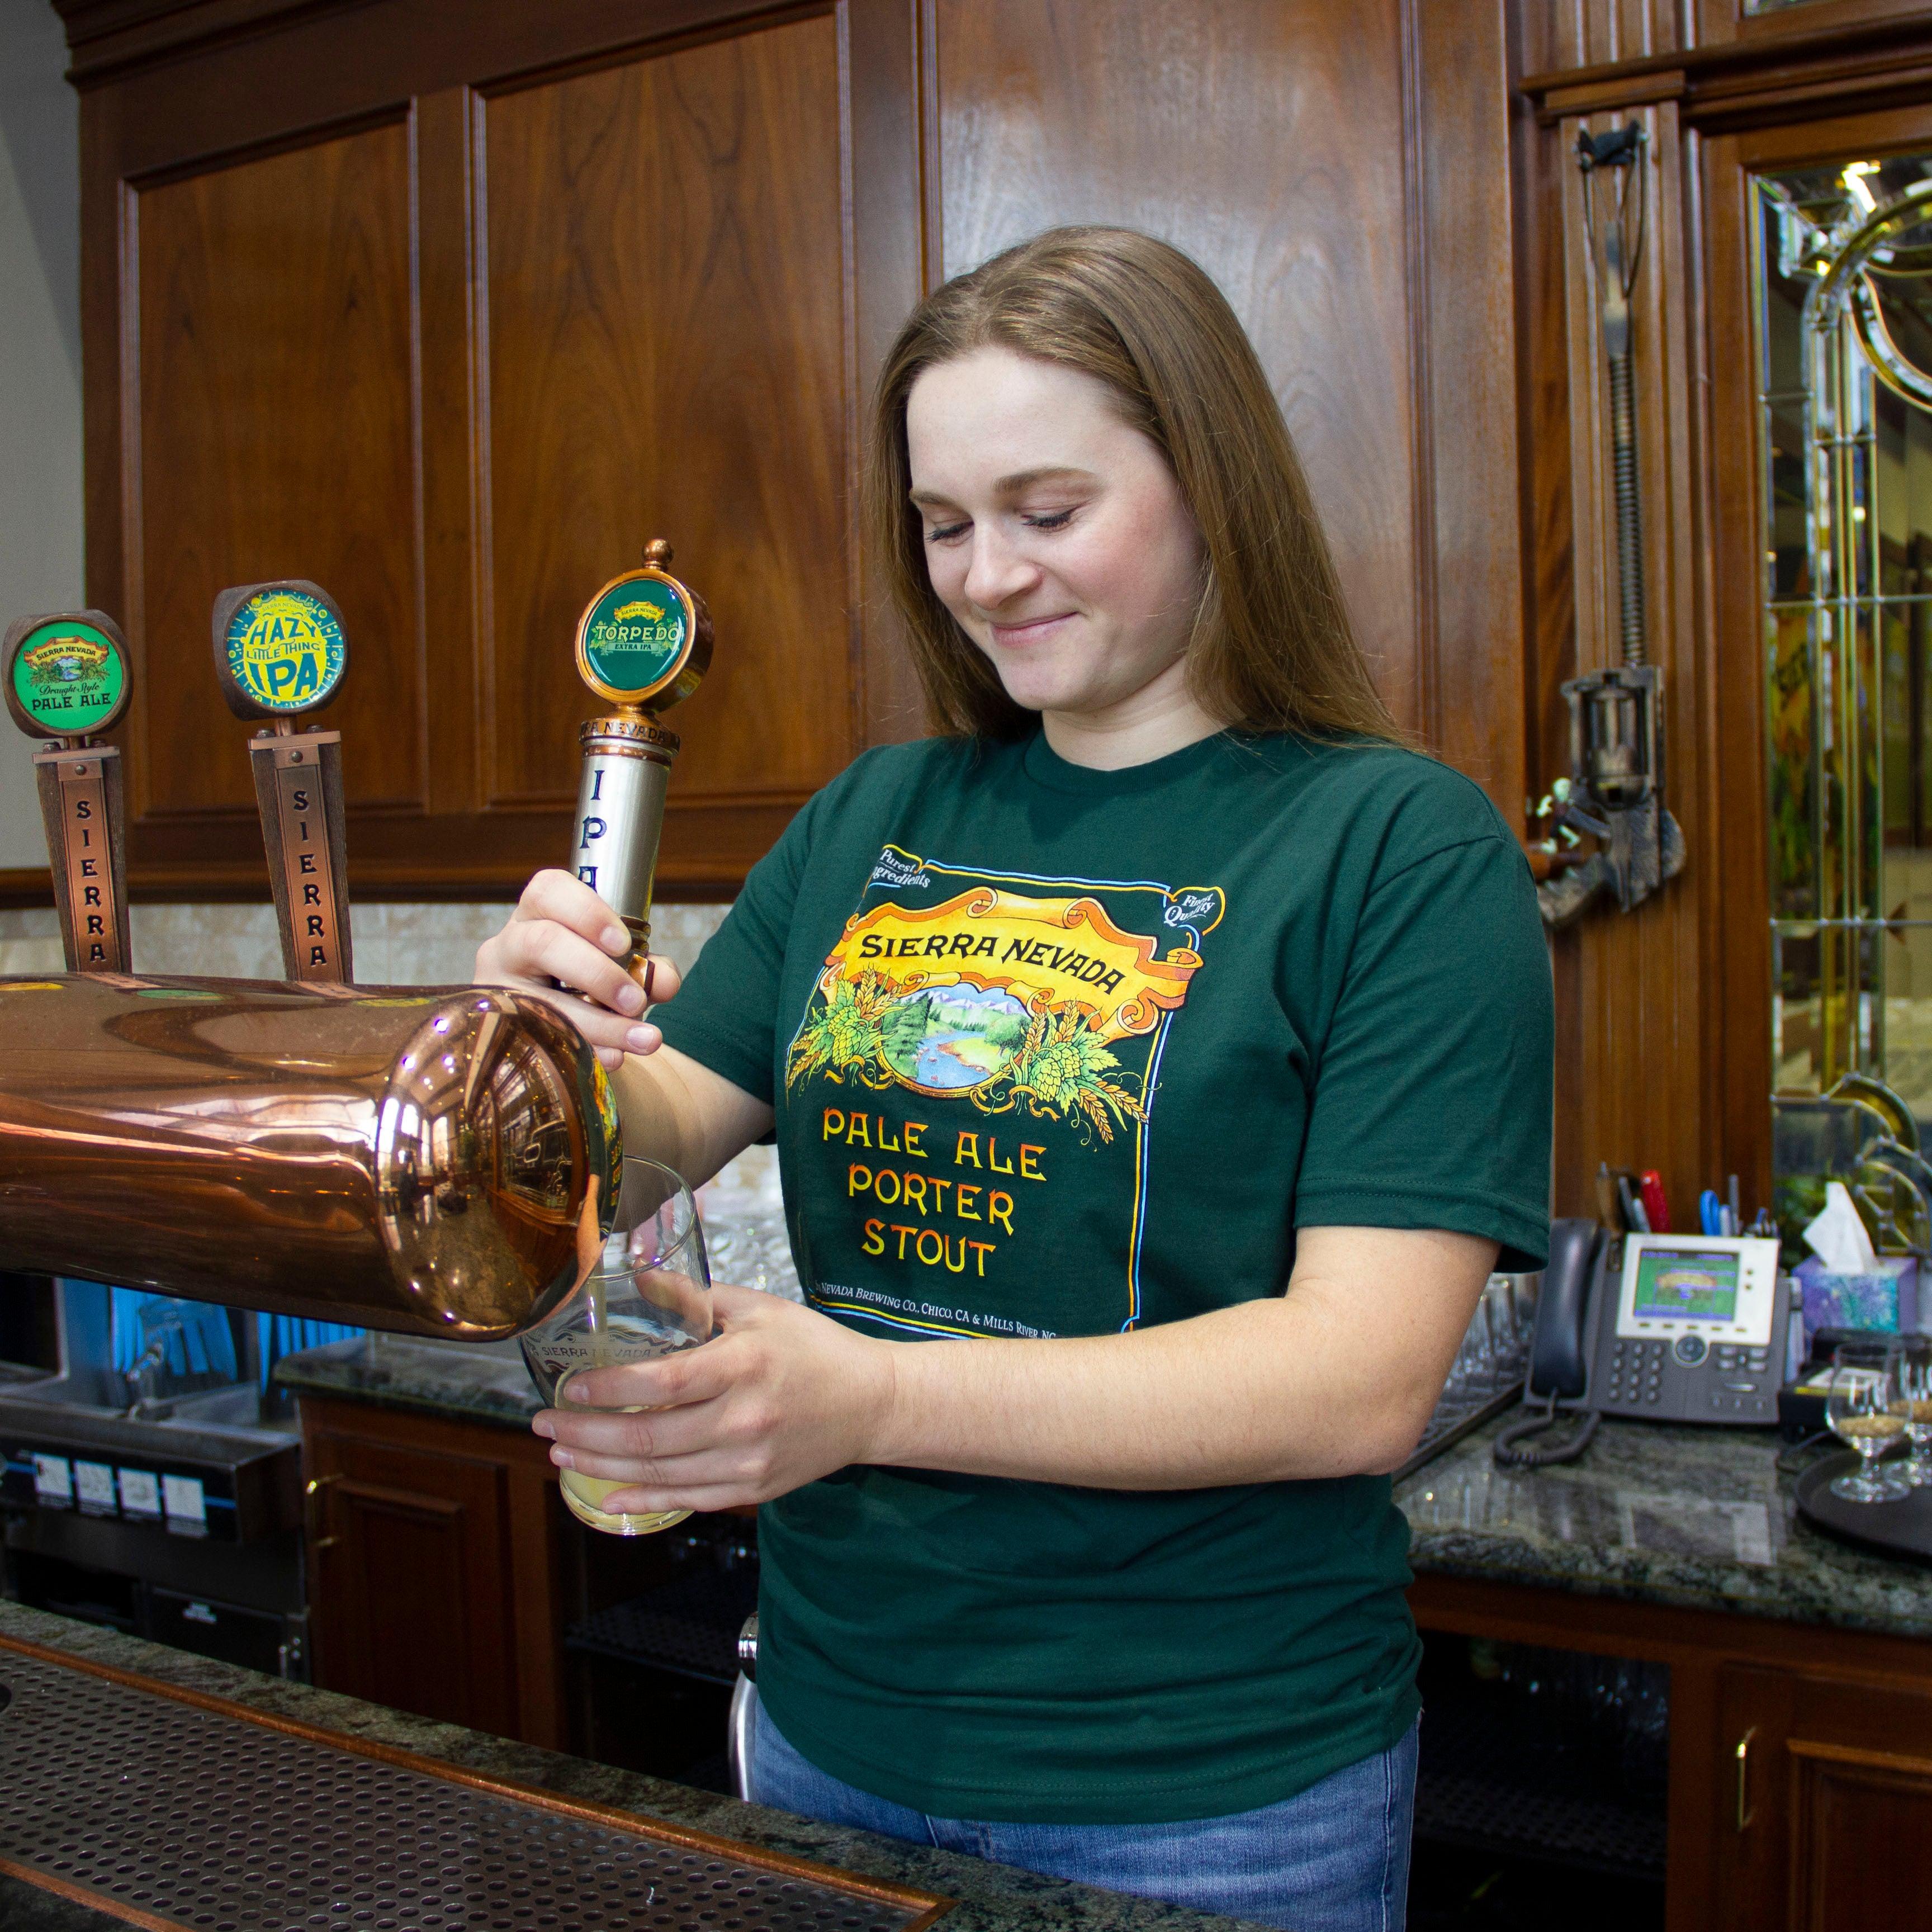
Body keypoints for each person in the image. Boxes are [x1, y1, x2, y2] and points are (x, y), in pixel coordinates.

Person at [476, 226, 1552, 1932]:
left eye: (1047, 514)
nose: (985, 578)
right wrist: (534, 1057)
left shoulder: (1397, 847)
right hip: (833, 1725)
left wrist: (878, 1400)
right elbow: (655, 1125)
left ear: (1213, 485)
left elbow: (1359, 1381)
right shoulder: (877, 817)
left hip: (1209, 1790)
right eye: (943, 524)